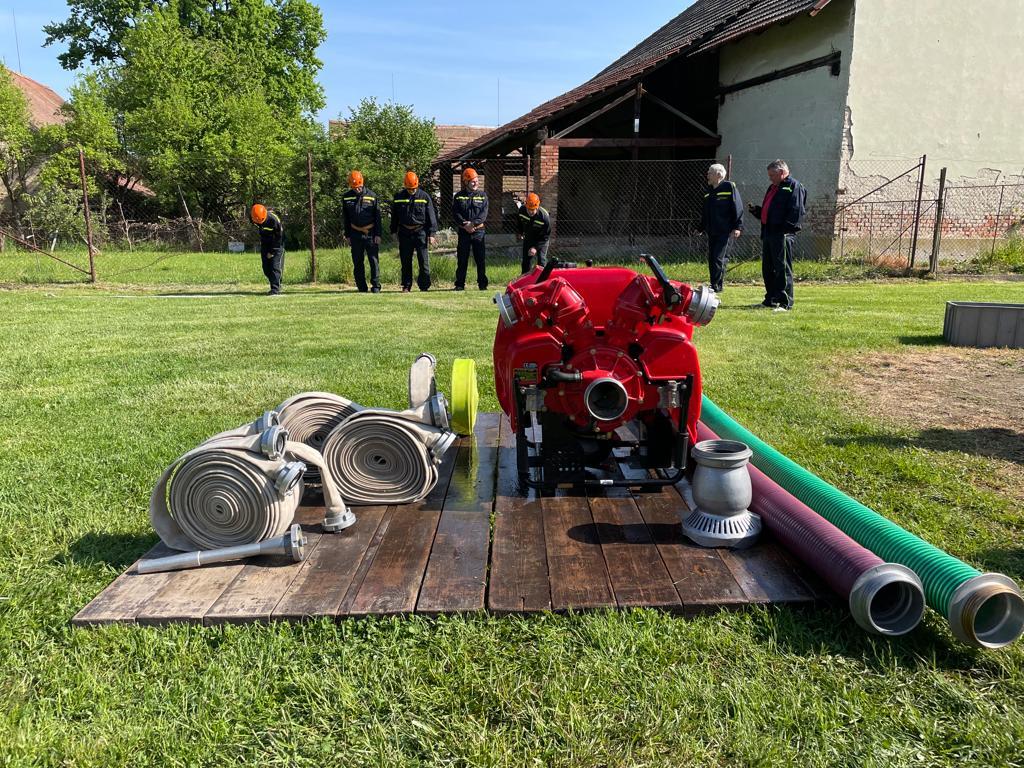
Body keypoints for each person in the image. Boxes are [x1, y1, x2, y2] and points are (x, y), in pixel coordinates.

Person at [747, 159, 807, 312]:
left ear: (781, 172)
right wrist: (757, 211)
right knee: (768, 269)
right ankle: (771, 300)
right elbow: (770, 211)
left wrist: (785, 230)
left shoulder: (794, 186)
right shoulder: (773, 187)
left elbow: (796, 211)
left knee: (782, 269)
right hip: (768, 232)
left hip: (782, 234)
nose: (770, 178)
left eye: (772, 175)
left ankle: (785, 303)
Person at [698, 163, 742, 293]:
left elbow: (738, 207)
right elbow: (705, 212)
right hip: (712, 231)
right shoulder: (709, 191)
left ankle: (716, 286)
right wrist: (700, 228)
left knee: (719, 258)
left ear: (719, 174)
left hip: (725, 231)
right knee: (712, 258)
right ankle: (715, 284)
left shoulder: (729, 187)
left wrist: (737, 227)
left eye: (710, 173)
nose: (707, 175)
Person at [390, 171, 437, 292]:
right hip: (404, 232)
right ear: (405, 186)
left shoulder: (424, 197)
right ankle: (406, 285)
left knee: (423, 261)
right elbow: (394, 216)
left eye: (414, 189)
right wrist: (393, 231)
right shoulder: (399, 197)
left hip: (420, 231)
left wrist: (432, 234)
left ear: (417, 185)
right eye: (409, 189)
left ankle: (424, 286)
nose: (412, 191)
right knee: (405, 261)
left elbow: (431, 216)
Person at [342, 170, 382, 293]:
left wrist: (378, 234)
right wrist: (347, 235)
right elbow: (346, 218)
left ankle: (376, 286)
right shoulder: (346, 197)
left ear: (362, 183)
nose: (357, 189)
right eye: (354, 187)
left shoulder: (372, 196)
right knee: (357, 261)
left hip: (371, 233)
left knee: (373, 260)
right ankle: (361, 287)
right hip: (355, 233)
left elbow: (378, 217)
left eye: (359, 186)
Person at [452, 167, 489, 291]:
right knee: (462, 259)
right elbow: (456, 213)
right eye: (473, 181)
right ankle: (459, 284)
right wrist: (465, 224)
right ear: (466, 182)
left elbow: (483, 214)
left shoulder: (483, 196)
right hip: (464, 231)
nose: (475, 183)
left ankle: (482, 285)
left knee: (480, 259)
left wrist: (472, 224)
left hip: (479, 231)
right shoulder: (458, 196)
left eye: (477, 181)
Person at [250, 203, 284, 295]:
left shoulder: (274, 220)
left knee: (274, 266)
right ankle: (276, 282)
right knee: (266, 268)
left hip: (277, 244)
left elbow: (279, 237)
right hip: (265, 243)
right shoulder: (253, 217)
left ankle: (275, 289)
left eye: (261, 221)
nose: (259, 223)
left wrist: (272, 252)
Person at [516, 192, 551, 273]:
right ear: (526, 206)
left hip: (541, 240)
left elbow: (546, 236)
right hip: (529, 238)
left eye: (533, 209)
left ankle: (542, 279)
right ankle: (525, 278)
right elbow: (519, 222)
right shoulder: (521, 211)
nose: (530, 212)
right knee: (526, 261)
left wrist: (535, 247)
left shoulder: (544, 217)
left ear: (537, 207)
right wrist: (520, 232)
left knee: (541, 260)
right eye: (528, 209)